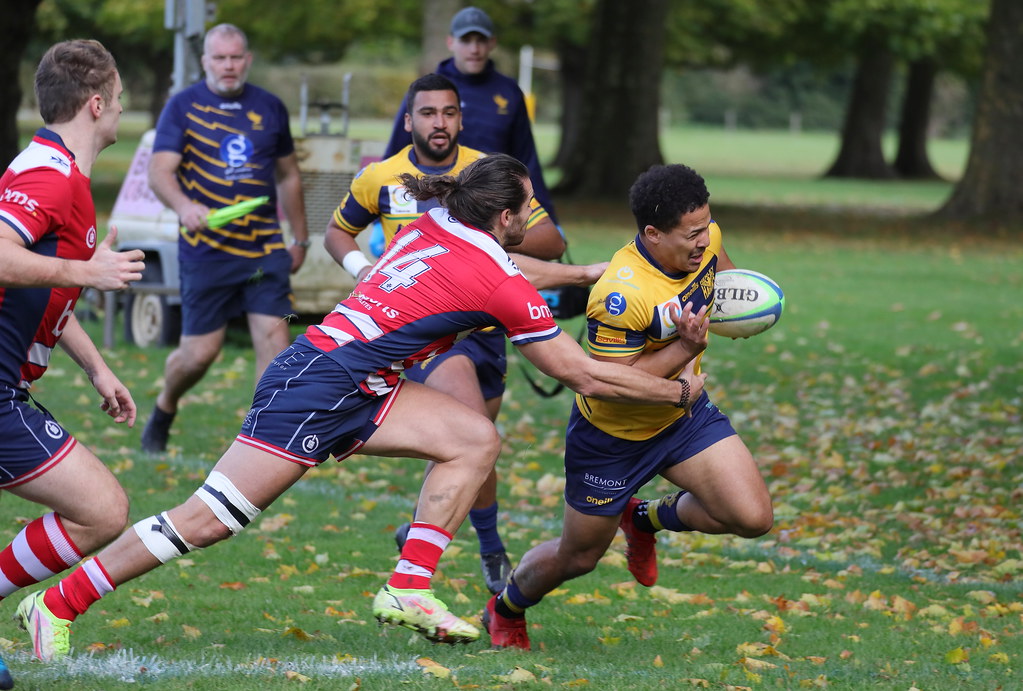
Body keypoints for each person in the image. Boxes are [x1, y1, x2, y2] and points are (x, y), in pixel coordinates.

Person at [19, 154, 707, 660]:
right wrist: (675, 386)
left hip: (357, 381)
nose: (535, 221)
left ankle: (408, 584)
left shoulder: (437, 219)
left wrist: (586, 275)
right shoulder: (494, 272)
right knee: (205, 520)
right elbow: (582, 372)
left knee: (473, 438)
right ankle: (55, 602)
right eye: (527, 211)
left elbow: (510, 272)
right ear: (503, 218)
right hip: (318, 386)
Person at [481, 164, 775, 650]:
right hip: (611, 439)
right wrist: (684, 350)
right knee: (578, 557)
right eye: (692, 234)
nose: (704, 242)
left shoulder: (708, 238)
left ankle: (644, 519)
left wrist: (744, 312)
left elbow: (724, 283)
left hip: (683, 417)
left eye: (707, 226)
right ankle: (506, 607)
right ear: (653, 234)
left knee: (752, 517)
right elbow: (611, 383)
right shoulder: (620, 295)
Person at [328, 73, 597, 594]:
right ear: (408, 121)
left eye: (449, 113)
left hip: (488, 318)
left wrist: (496, 240)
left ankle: (420, 529)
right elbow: (337, 231)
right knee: (473, 429)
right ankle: (492, 552)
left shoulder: (485, 174)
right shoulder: (381, 177)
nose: (439, 122)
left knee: (466, 444)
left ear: (460, 119)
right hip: (423, 327)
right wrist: (363, 268)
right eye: (428, 113)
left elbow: (549, 237)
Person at [0, 39, 145, 672]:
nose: (120, 112)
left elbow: (42, 281)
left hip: (9, 385)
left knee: (100, 508)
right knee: (103, 509)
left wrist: (96, 366)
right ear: (95, 104)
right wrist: (86, 269)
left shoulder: (62, 174)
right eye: (118, 101)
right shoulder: (49, 176)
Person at [140, 23, 310, 453]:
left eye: (236, 57)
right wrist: (184, 207)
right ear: (205, 62)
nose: (229, 66)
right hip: (207, 251)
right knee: (199, 355)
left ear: (247, 59)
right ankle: (165, 406)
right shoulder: (182, 107)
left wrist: (301, 239)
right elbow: (159, 172)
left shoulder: (270, 107)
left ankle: (259, 445)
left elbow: (288, 175)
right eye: (220, 58)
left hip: (263, 251)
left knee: (274, 347)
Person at [383, 6, 557, 223]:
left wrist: (549, 216)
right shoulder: (428, 90)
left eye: (481, 40)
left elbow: (526, 157)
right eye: (466, 40)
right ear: (451, 42)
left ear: (492, 42)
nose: (474, 49)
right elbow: (396, 152)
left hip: (493, 205)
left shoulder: (509, 91)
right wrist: (379, 215)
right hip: (435, 201)